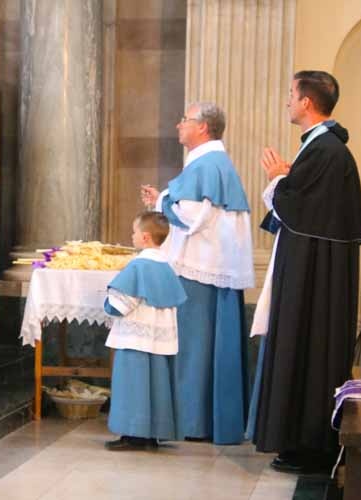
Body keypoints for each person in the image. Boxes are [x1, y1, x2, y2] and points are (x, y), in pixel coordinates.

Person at [250, 70, 361, 473]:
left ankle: (309, 446)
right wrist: (288, 178)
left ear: (307, 102)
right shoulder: (321, 148)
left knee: (307, 345)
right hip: (309, 269)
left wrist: (278, 180)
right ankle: (299, 442)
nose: (287, 100)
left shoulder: (325, 150)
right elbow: (306, 203)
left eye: (291, 94)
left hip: (312, 280)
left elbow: (298, 207)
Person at [141, 102, 255, 445]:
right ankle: (206, 419)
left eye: (185, 120)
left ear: (203, 127)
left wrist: (162, 202)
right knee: (206, 347)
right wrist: (162, 200)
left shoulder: (206, 164)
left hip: (199, 271)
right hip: (211, 267)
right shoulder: (213, 163)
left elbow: (190, 216)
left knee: (193, 348)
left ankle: (192, 421)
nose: (179, 125)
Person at [104, 211, 187, 451]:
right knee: (157, 388)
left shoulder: (138, 266)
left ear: (145, 237)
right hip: (159, 342)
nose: (132, 236)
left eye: (134, 232)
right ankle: (152, 436)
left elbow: (119, 305)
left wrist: (106, 302)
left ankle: (133, 435)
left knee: (133, 386)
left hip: (135, 340)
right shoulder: (166, 267)